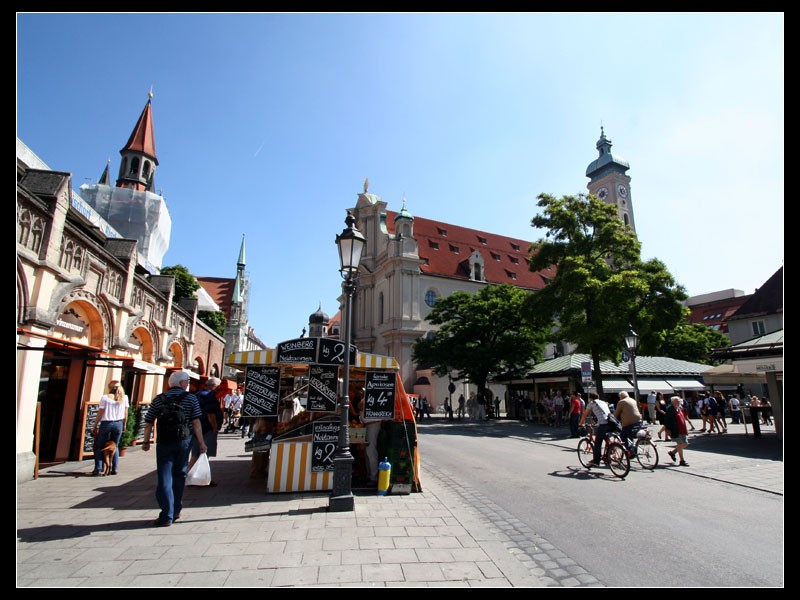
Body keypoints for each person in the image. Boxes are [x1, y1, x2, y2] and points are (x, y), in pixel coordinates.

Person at [141, 370, 206, 527]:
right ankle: (175, 510)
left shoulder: (159, 399)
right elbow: (196, 422)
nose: (188, 384)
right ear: (181, 383)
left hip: (164, 441)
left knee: (165, 476)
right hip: (184, 440)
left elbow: (149, 422)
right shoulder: (191, 398)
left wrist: (146, 441)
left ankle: (167, 514)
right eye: (187, 382)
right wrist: (202, 443)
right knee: (179, 474)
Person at [188, 377, 222, 486]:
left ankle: (190, 476)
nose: (219, 389)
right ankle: (199, 478)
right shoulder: (209, 396)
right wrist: (215, 427)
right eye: (218, 386)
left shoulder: (197, 395)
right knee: (203, 453)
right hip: (206, 428)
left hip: (195, 427)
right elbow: (210, 413)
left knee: (196, 453)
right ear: (213, 386)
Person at [92, 380, 129, 476]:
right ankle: (114, 468)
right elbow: (126, 413)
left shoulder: (105, 398)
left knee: (100, 446)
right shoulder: (125, 398)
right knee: (115, 446)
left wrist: (95, 425)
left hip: (106, 423)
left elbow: (100, 412)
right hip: (118, 424)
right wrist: (124, 424)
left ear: (110, 388)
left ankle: (98, 468)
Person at [578, 392, 612, 467]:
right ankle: (609, 453)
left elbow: (585, 414)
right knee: (605, 437)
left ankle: (596, 461)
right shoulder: (603, 402)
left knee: (597, 442)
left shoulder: (592, 403)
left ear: (590, 398)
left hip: (603, 424)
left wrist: (581, 423)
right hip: (610, 423)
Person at [664, 396, 689, 466]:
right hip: (675, 429)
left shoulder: (679, 408)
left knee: (685, 443)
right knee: (680, 444)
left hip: (682, 429)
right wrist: (667, 429)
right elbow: (667, 420)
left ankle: (672, 452)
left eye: (679, 401)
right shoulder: (670, 409)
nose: (678, 402)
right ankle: (682, 460)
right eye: (677, 401)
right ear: (673, 402)